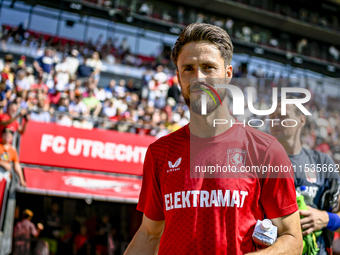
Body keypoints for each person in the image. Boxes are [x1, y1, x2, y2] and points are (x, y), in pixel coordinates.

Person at [124, 23, 303, 255]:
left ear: (227, 75)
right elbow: (149, 233)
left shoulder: (265, 150)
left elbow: (292, 239)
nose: (198, 78)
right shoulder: (160, 153)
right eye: (188, 69)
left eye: (208, 67)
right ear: (178, 78)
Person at [270, 98, 340, 255]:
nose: (275, 121)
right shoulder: (258, 164)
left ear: (301, 120)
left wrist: (327, 218)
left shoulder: (322, 161)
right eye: (272, 116)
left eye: (282, 116)